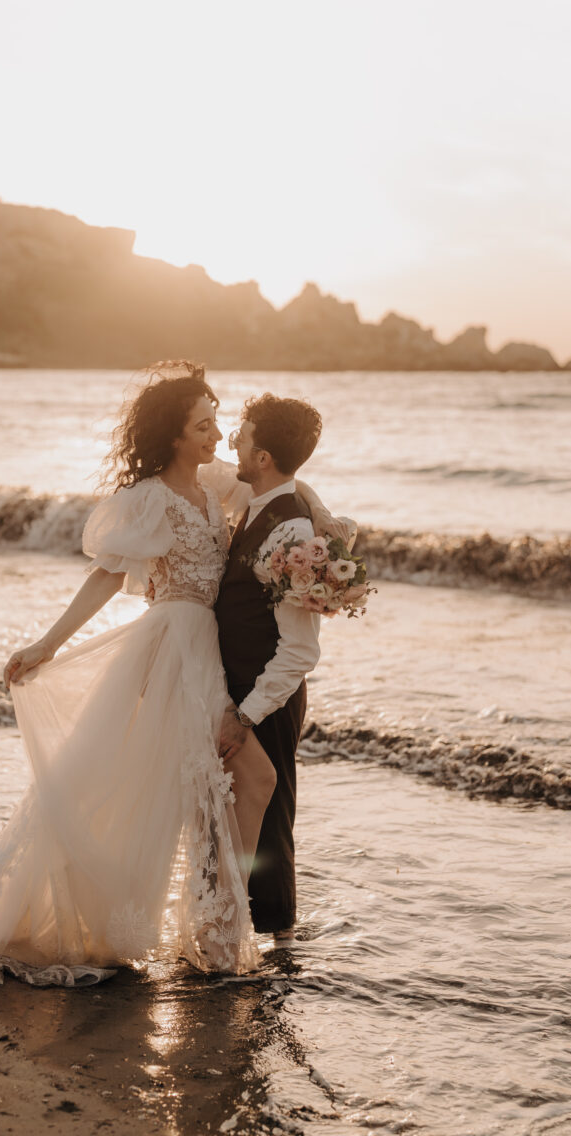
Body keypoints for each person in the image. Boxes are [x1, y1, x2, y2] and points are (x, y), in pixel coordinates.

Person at [0, 362, 344, 1015]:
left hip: (203, 648)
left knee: (213, 790)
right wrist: (49, 643)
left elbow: (284, 487)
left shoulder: (217, 487)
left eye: (219, 424)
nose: (217, 435)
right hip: (174, 645)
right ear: (175, 436)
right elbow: (105, 576)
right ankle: (218, 943)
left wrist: (328, 526)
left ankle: (215, 938)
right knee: (217, 785)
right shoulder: (149, 499)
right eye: (204, 425)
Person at [215, 394, 338, 940]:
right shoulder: (261, 497)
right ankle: (247, 927)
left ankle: (282, 942)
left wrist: (246, 714)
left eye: (241, 435)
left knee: (272, 809)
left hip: (268, 691)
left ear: (262, 456)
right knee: (244, 808)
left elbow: (300, 650)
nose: (231, 441)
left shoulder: (290, 533)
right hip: (242, 683)